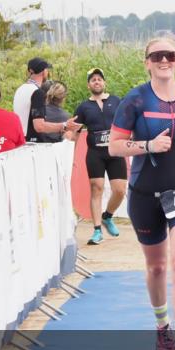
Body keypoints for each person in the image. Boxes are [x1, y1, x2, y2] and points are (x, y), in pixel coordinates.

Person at [109, 36, 175, 350]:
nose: (164, 60)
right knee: (157, 267)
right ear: (147, 61)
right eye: (157, 56)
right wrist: (149, 146)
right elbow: (114, 147)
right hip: (144, 193)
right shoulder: (135, 100)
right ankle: (162, 326)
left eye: (170, 55)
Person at [73, 67, 127, 245]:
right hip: (95, 153)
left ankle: (107, 216)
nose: (97, 82)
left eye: (99, 79)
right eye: (93, 79)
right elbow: (74, 133)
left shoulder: (116, 101)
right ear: (88, 85)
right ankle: (97, 231)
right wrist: (68, 152)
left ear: (104, 83)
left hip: (115, 151)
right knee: (97, 187)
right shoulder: (83, 107)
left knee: (120, 190)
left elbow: (127, 122)